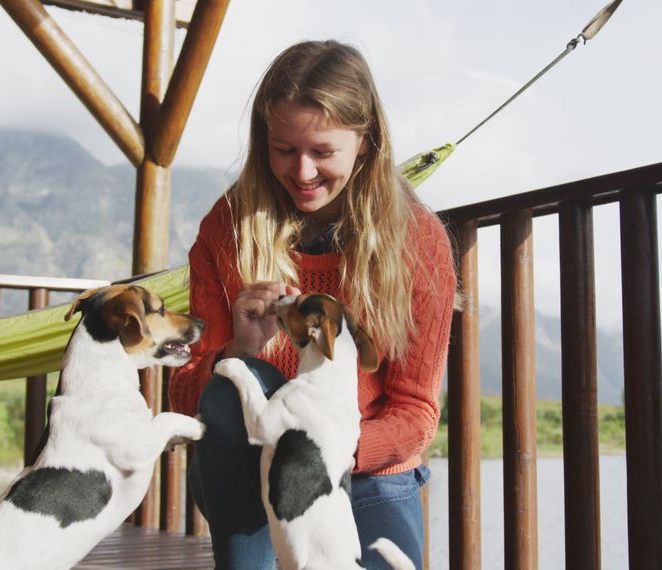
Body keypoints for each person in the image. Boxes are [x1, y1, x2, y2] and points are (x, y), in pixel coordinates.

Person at [169, 39, 457, 570]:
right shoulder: (227, 228)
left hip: (365, 469)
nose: (302, 172)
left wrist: (328, 450)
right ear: (263, 141)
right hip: (252, 477)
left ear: (366, 140)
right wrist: (237, 347)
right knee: (233, 393)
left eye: (322, 152)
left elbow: (416, 414)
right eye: (284, 149)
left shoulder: (419, 240)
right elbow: (189, 398)